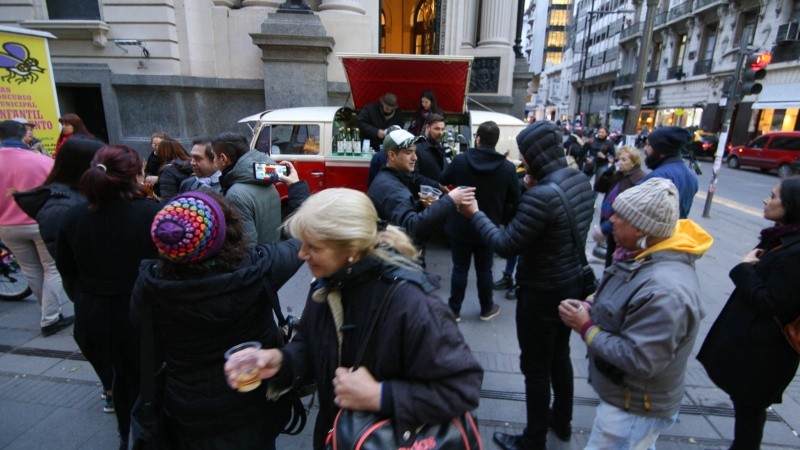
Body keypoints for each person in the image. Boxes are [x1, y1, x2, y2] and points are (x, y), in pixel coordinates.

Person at [224, 188, 483, 450]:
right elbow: (310, 344)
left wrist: (381, 396)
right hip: (337, 437)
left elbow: (463, 388)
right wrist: (281, 361)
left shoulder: (413, 305)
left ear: (351, 249)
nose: (301, 254)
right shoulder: (328, 282)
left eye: (313, 247)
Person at [131, 168, 309, 449]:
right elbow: (300, 237)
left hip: (187, 406)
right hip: (254, 398)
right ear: (226, 230)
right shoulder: (260, 268)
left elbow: (141, 329)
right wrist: (296, 187)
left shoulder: (150, 285)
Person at [460, 120, 595, 450]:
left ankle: (533, 438)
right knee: (559, 355)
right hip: (571, 282)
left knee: (535, 367)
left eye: (524, 155)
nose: (521, 160)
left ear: (537, 154)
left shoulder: (542, 196)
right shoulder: (578, 180)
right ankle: (561, 421)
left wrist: (475, 214)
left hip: (542, 292)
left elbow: (505, 244)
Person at [559, 178, 712, 449]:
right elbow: (625, 298)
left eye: (620, 216)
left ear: (642, 228)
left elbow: (639, 358)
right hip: (630, 399)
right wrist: (592, 306)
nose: (611, 220)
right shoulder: (645, 255)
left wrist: (585, 326)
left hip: (635, 408)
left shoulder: (665, 291)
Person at [55, 145, 163, 448]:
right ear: (136, 175)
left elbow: (67, 270)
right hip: (144, 317)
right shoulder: (154, 215)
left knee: (121, 377)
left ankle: (126, 434)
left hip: (94, 317)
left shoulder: (73, 216)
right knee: (149, 382)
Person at [697, 176, 800, 449]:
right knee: (748, 410)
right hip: (755, 348)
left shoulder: (795, 253)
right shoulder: (780, 238)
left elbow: (772, 303)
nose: (766, 200)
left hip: (765, 355)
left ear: (791, 204)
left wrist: (744, 269)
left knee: (749, 414)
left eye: (774, 196)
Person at [440, 121, 519, 322]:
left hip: (460, 225)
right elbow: (515, 199)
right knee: (485, 270)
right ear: (496, 141)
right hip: (488, 228)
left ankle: (454, 310)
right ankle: (486, 308)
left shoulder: (460, 160)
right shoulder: (507, 168)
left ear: (478, 139)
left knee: (459, 269)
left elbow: (443, 178)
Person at [0, 120, 73, 337]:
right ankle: (50, 318)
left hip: (7, 225)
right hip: (41, 221)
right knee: (51, 267)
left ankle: (48, 313)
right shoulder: (39, 160)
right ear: (24, 135)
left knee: (31, 269)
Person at [367, 128, 475, 248]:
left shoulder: (389, 179)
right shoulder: (392, 188)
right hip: (394, 254)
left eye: (415, 152)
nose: (415, 157)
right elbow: (411, 228)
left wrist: (420, 205)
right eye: (409, 152)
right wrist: (449, 200)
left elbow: (397, 214)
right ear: (392, 155)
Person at [211, 132, 281, 245]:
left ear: (223, 159)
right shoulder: (265, 181)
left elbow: (246, 245)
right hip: (271, 251)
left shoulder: (235, 194)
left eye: (214, 156)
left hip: (256, 255)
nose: (214, 161)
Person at [592, 146, 646, 267]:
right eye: (619, 159)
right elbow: (599, 187)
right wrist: (608, 172)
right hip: (610, 223)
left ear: (634, 161)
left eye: (624, 160)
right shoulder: (619, 174)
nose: (620, 162)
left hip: (622, 226)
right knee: (609, 255)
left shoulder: (638, 178)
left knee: (616, 258)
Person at [640, 125, 698, 218]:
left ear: (661, 149)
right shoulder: (691, 176)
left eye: (649, 145)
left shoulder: (657, 177)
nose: (645, 148)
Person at [414, 113, 450, 185]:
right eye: (437, 129)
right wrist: (437, 185)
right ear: (427, 127)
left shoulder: (440, 147)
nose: (440, 133)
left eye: (442, 129)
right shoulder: (416, 147)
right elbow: (413, 176)